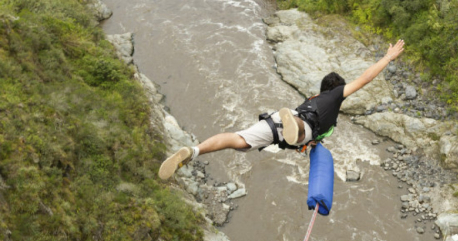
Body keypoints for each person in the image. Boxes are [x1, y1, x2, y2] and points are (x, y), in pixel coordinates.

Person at [159, 39, 405, 180]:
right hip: (300, 128)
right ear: (335, 89)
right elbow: (364, 79)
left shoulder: (314, 97)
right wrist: (387, 58)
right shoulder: (333, 97)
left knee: (238, 140)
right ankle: (294, 127)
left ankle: (194, 150)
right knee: (301, 131)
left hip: (278, 119)